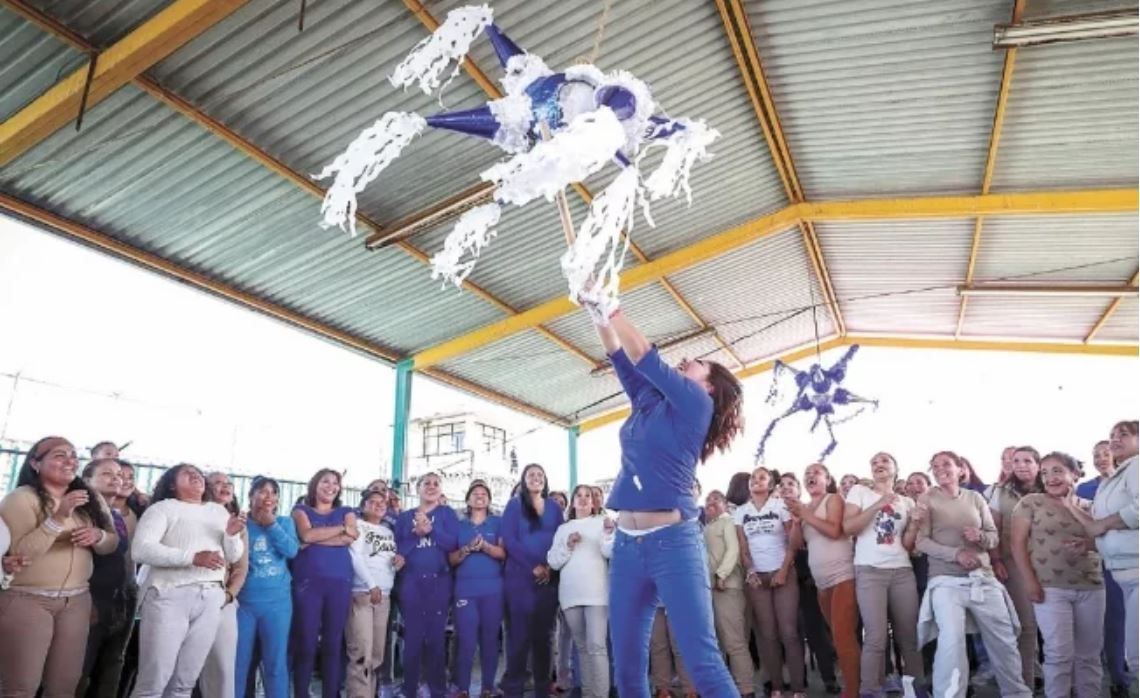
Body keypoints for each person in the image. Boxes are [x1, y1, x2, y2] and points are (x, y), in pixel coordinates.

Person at [579, 298, 744, 698]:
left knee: (701, 658)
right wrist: (597, 314)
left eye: (699, 362)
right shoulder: (649, 400)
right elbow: (620, 356)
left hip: (675, 543)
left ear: (710, 385)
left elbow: (644, 355)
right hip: (627, 545)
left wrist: (613, 307)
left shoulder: (697, 403)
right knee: (628, 660)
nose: (688, 359)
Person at [0, 436, 119, 698]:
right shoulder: (20, 499)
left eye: (73, 455)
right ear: (35, 463)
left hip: (77, 601)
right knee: (20, 687)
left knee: (64, 687)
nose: (70, 460)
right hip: (28, 600)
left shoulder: (90, 499)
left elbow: (112, 542)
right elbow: (21, 553)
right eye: (59, 455)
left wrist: (97, 537)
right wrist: (59, 516)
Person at [914, 451, 1029, 698]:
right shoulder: (927, 498)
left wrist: (980, 537)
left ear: (960, 469)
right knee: (951, 642)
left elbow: (993, 536)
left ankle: (1016, 693)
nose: (940, 469)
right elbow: (921, 541)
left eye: (946, 464)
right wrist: (956, 554)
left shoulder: (975, 498)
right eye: (935, 466)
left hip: (983, 577)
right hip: (945, 582)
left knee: (1004, 638)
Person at [131, 463, 245, 698]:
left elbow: (233, 556)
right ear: (172, 484)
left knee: (184, 682)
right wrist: (192, 558)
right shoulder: (162, 509)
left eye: (198, 473)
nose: (195, 476)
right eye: (187, 473)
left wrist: (232, 535)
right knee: (153, 681)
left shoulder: (218, 512)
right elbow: (141, 550)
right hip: (169, 595)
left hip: (210, 597)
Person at [1010, 451, 1104, 698]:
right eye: (1045, 472)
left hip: (1092, 585)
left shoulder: (1091, 506)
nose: (1050, 477)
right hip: (1050, 587)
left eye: (1057, 471)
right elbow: (1017, 544)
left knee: (1089, 655)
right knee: (1059, 654)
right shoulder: (1030, 502)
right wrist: (1030, 582)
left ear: (1074, 474)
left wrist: (1072, 509)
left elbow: (1103, 541)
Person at [843, 452, 925, 697]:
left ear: (895, 468)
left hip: (901, 571)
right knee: (876, 636)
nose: (878, 465)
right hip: (870, 570)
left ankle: (915, 688)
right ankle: (870, 690)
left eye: (884, 461)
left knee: (908, 635)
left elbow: (909, 545)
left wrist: (915, 525)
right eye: (874, 463)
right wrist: (879, 504)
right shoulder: (859, 492)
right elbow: (849, 527)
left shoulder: (907, 502)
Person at [1067, 420, 1139, 689]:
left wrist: (1103, 525)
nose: (1115, 439)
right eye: (1112, 435)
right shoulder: (1114, 481)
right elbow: (1100, 526)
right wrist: (1089, 543)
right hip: (1123, 573)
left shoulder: (1137, 466)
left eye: (1124, 434)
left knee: (1137, 656)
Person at [735, 467, 805, 698]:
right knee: (767, 634)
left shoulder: (779, 506)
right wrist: (750, 571)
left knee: (789, 631)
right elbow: (743, 547)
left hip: (782, 571)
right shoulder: (741, 511)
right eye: (753, 478)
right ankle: (776, 686)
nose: (756, 481)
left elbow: (793, 542)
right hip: (758, 577)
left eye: (761, 478)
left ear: (771, 483)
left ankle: (798, 688)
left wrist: (784, 570)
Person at [791, 463, 858, 698]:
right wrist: (797, 520)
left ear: (827, 479)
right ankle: (858, 685)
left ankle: (853, 691)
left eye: (816, 473)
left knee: (843, 636)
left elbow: (834, 531)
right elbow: (797, 544)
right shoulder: (805, 508)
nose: (810, 476)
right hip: (822, 583)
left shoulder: (833, 499)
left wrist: (806, 514)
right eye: (806, 473)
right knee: (838, 637)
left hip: (843, 576)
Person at [292, 468, 357, 698]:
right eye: (325, 481)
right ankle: (301, 693)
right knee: (306, 644)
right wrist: (339, 530)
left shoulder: (346, 511)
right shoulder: (301, 510)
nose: (331, 486)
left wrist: (317, 537)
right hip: (308, 585)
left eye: (335, 483)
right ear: (314, 485)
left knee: (333, 643)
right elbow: (306, 535)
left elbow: (352, 536)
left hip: (339, 584)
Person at [500, 463, 564, 697]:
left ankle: (541, 690)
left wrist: (549, 568)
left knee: (544, 639)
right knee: (518, 638)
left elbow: (560, 539)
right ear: (524, 480)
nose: (536, 478)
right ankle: (514, 690)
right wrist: (532, 567)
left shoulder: (555, 508)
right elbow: (509, 539)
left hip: (548, 582)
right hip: (519, 581)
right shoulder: (514, 505)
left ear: (545, 481)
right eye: (531, 475)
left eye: (540, 475)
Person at [395, 472, 459, 698]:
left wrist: (431, 530)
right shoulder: (404, 517)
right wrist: (416, 534)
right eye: (426, 483)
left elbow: (453, 544)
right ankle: (409, 689)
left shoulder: (447, 514)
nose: (431, 487)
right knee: (412, 639)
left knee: (435, 639)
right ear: (417, 488)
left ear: (441, 490)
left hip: (439, 582)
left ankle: (437, 690)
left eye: (436, 484)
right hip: (411, 583)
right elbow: (398, 551)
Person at [548, 484, 615, 698]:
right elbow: (553, 562)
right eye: (579, 495)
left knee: (597, 646)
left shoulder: (602, 523)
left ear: (594, 501)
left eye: (588, 496)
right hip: (570, 595)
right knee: (583, 648)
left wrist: (607, 533)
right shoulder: (563, 529)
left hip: (597, 594)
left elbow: (609, 551)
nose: (584, 499)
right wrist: (567, 545)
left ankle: (601, 694)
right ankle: (588, 693)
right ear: (573, 501)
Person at [235, 476, 299, 698]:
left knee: (275, 662)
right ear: (251, 496)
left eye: (273, 492)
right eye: (262, 491)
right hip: (243, 603)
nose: (268, 497)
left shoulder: (284, 523)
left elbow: (291, 551)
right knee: (238, 663)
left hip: (278, 604)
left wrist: (271, 525)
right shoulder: (240, 524)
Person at [1074, 439, 1129, 696]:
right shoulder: (1085, 489)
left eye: (1105, 453)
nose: (1101, 458)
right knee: (1113, 624)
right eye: (1096, 455)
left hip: (1129, 560)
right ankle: (1118, 677)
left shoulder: (1130, 481)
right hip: (1101, 565)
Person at [80, 458, 135, 698]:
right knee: (79, 667)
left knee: (111, 665)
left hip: (118, 600)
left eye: (119, 475)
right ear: (86, 480)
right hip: (89, 599)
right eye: (106, 474)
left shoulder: (116, 514)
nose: (117, 478)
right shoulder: (83, 512)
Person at [988, 446, 1042, 689]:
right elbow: (993, 529)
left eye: (1027, 461)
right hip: (1014, 564)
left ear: (1037, 464)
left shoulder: (1049, 487)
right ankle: (1025, 687)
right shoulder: (1000, 492)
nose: (1020, 465)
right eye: (1016, 460)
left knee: (1055, 627)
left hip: (1052, 564)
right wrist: (997, 560)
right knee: (1027, 627)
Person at [451, 480, 506, 698]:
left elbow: (503, 554)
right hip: (465, 590)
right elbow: (451, 558)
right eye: (475, 493)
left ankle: (487, 688)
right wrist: (466, 550)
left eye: (484, 493)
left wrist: (485, 547)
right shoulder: (459, 525)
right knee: (466, 639)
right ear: (468, 500)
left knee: (490, 639)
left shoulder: (498, 523)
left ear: (489, 500)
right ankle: (463, 687)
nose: (480, 496)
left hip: (493, 589)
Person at [198, 472, 249, 698]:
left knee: (222, 667)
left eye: (228, 483)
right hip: (189, 596)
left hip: (223, 600)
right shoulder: (193, 515)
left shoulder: (238, 523)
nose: (224, 487)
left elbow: (240, 568)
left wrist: (228, 596)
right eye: (217, 483)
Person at [348, 490, 401, 698]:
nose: (379, 505)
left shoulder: (388, 532)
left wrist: (398, 562)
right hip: (363, 593)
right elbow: (355, 556)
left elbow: (384, 560)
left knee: (377, 655)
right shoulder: (359, 526)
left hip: (384, 595)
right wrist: (371, 585)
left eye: (382, 502)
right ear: (363, 506)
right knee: (361, 653)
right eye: (373, 502)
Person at [702, 490, 755, 698]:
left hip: (727, 587)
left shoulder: (728, 523)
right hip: (710, 590)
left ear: (725, 504)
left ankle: (746, 689)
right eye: (707, 500)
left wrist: (722, 574)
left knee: (735, 642)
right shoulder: (706, 527)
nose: (710, 503)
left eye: (715, 499)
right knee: (720, 643)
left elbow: (733, 550)